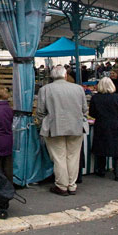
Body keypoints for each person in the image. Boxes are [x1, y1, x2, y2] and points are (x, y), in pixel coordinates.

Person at [36, 65, 89, 196]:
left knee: (59, 158)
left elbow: (40, 112)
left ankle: (61, 186)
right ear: (65, 75)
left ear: (52, 76)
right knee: (73, 157)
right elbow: (84, 110)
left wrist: (45, 123)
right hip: (76, 127)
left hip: (54, 127)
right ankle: (72, 185)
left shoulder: (45, 90)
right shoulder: (78, 89)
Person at [89, 76, 118, 181]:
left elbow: (91, 113)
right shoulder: (117, 97)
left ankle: (101, 170)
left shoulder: (95, 98)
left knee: (102, 148)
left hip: (102, 125)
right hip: (116, 125)